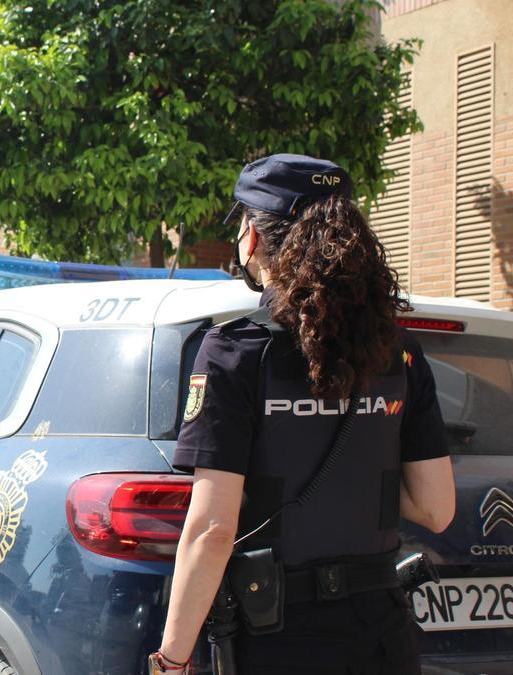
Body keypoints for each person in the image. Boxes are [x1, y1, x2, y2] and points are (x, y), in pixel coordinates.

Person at [149, 154, 456, 674]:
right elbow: (435, 508)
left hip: (280, 637)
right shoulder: (398, 352)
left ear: (252, 236)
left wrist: (171, 662)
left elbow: (212, 530)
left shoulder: (236, 351)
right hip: (382, 634)